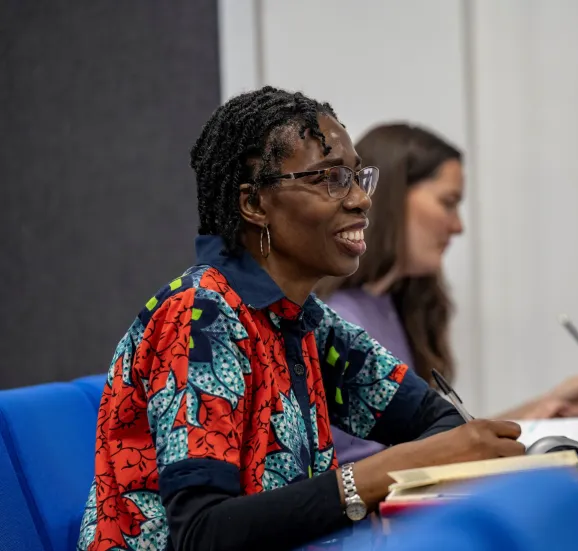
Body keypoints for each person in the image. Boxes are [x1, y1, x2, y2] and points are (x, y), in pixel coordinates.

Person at [77, 87, 525, 551]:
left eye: (356, 177)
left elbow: (438, 421)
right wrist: (376, 477)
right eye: (330, 179)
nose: (361, 200)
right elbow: (201, 535)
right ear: (254, 204)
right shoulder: (199, 317)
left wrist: (413, 462)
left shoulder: (306, 319)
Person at [315, 123, 578, 464]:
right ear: (392, 199)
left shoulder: (391, 305)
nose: (457, 226)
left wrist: (544, 407)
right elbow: (379, 470)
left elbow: (437, 444)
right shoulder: (340, 321)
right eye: (448, 203)